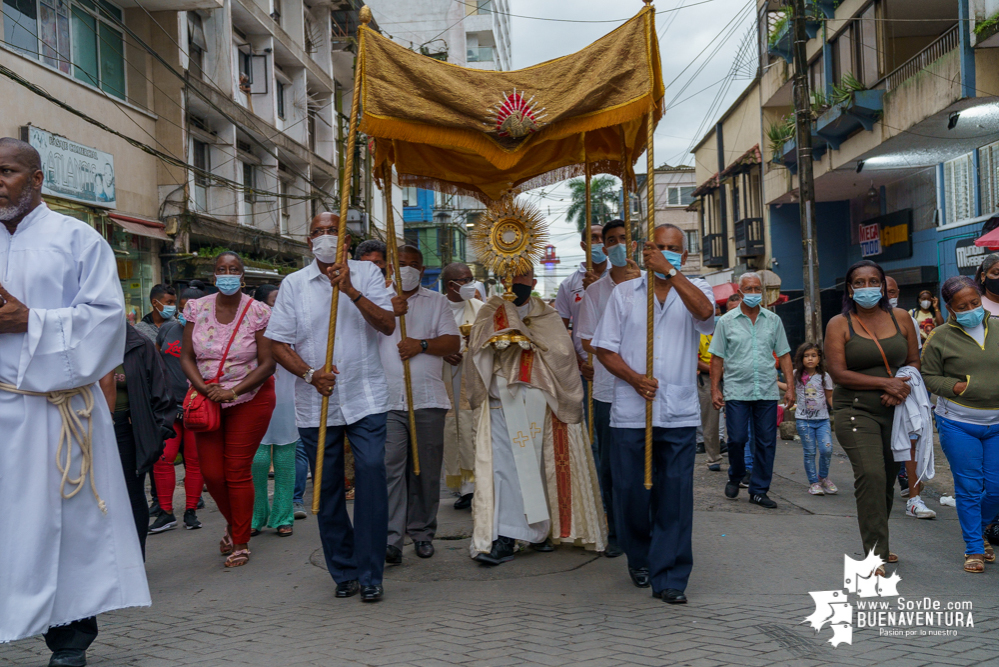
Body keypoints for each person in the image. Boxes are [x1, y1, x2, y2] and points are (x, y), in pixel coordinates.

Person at [0, 137, 149, 664]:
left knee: (68, 530)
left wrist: (31, 321)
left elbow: (108, 322)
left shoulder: (77, 238)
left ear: (37, 179)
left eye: (8, 171)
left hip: (59, 414)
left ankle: (69, 645)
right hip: (2, 410)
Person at [265, 212, 396, 602]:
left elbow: (387, 325)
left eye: (332, 232)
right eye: (317, 232)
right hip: (316, 399)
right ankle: (344, 569)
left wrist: (351, 290)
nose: (324, 237)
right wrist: (309, 374)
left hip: (365, 396)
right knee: (327, 485)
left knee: (372, 472)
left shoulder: (367, 274)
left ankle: (372, 572)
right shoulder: (293, 284)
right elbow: (278, 343)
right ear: (309, 241)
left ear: (346, 241)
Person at [592, 223, 715, 604]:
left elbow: (706, 314)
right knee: (630, 493)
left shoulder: (697, 289)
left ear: (684, 253)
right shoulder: (625, 294)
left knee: (675, 496)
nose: (666, 252)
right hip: (632, 411)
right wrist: (633, 378)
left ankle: (671, 577)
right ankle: (640, 556)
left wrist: (672, 272)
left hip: (677, 413)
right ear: (647, 251)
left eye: (673, 248)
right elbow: (604, 348)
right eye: (660, 247)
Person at [467, 266, 607, 566]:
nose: (516, 281)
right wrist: (501, 338)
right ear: (500, 276)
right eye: (511, 274)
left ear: (533, 281)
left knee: (540, 468)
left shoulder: (548, 315)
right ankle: (505, 537)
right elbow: (476, 351)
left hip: (541, 400)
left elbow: (562, 353)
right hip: (503, 399)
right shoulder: (490, 311)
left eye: (523, 275)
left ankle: (539, 531)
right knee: (505, 469)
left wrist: (528, 339)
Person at [181, 251, 277, 568]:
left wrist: (233, 390)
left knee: (236, 471)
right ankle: (233, 522)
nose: (227, 274)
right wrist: (204, 387)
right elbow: (186, 357)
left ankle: (240, 540)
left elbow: (267, 363)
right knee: (212, 474)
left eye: (233, 269)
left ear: (243, 277)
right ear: (213, 276)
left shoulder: (259, 312)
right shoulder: (196, 308)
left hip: (251, 397)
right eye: (221, 269)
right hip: (207, 399)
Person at [825, 260, 920, 569]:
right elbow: (838, 373)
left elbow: (914, 361)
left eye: (873, 281)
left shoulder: (902, 317)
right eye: (859, 282)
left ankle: (881, 539)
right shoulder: (839, 324)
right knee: (871, 475)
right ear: (850, 289)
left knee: (888, 479)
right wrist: (885, 382)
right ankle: (875, 552)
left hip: (896, 410)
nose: (867, 287)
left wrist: (901, 386)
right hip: (854, 411)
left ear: (882, 285)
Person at [380, 246, 460, 562]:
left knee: (426, 473)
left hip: (427, 398)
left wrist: (422, 345)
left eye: (414, 265)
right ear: (390, 267)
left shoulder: (437, 302)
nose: (409, 269)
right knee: (391, 469)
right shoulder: (377, 300)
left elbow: (452, 342)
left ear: (423, 269)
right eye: (402, 264)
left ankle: (423, 532)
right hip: (387, 400)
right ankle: (391, 538)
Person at [921, 276, 999, 573]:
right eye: (962, 306)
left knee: (996, 488)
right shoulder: (939, 337)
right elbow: (928, 376)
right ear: (950, 308)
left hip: (998, 423)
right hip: (958, 422)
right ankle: (974, 549)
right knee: (968, 487)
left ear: (981, 299)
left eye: (975, 303)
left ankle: (979, 530)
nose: (971, 309)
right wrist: (956, 387)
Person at [577, 219, 641, 559]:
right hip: (606, 389)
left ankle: (644, 526)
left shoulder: (650, 286)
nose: (616, 245)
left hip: (644, 389)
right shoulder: (594, 292)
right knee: (611, 466)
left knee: (644, 464)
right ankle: (615, 529)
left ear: (633, 245)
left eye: (622, 239)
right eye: (610, 240)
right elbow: (586, 339)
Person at [710, 272, 794, 509]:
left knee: (766, 442)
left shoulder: (773, 321)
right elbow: (716, 357)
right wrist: (715, 388)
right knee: (736, 439)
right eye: (749, 289)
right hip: (737, 390)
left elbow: (785, 354)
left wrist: (790, 387)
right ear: (740, 291)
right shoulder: (726, 321)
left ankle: (758, 490)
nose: (754, 293)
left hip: (766, 390)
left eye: (758, 289)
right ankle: (736, 475)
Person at [98, 323, 177, 555]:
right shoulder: (83, 341)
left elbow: (162, 391)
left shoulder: (139, 344)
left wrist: (155, 433)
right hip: (89, 429)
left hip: (128, 430)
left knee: (131, 494)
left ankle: (135, 559)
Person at [151, 287, 206, 532]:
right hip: (168, 409)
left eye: (191, 307)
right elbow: (156, 363)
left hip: (197, 409)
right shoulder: (167, 329)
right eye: (182, 307)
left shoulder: (210, 333)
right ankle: (165, 512)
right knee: (162, 460)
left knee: (194, 462)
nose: (185, 311)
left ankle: (191, 511)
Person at [250, 284, 299, 538]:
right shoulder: (250, 328)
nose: (278, 306)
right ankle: (256, 515)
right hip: (254, 400)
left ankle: (283, 516)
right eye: (273, 301)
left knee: (284, 460)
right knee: (256, 461)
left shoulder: (293, 325)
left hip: (286, 401)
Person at [440, 261, 484, 510]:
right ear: (451, 285)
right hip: (445, 376)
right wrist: (442, 352)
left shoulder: (480, 308)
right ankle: (462, 487)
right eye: (465, 280)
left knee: (472, 429)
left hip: (472, 376)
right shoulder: (436, 307)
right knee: (451, 429)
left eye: (471, 279)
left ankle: (476, 486)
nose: (470, 284)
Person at [554, 225, 607, 399]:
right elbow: (561, 332)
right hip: (586, 369)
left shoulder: (621, 276)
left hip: (619, 365)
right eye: (593, 238)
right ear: (583, 245)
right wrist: (579, 362)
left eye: (602, 238)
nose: (599, 242)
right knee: (589, 424)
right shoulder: (569, 284)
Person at [788, 343, 836, 496]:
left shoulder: (824, 376)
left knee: (826, 449)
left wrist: (838, 411)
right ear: (801, 358)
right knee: (809, 452)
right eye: (806, 356)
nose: (810, 359)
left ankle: (823, 477)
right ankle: (813, 482)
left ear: (819, 358)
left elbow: (829, 396)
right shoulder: (796, 375)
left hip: (823, 420)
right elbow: (788, 387)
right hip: (804, 421)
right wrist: (773, 381)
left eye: (813, 356)